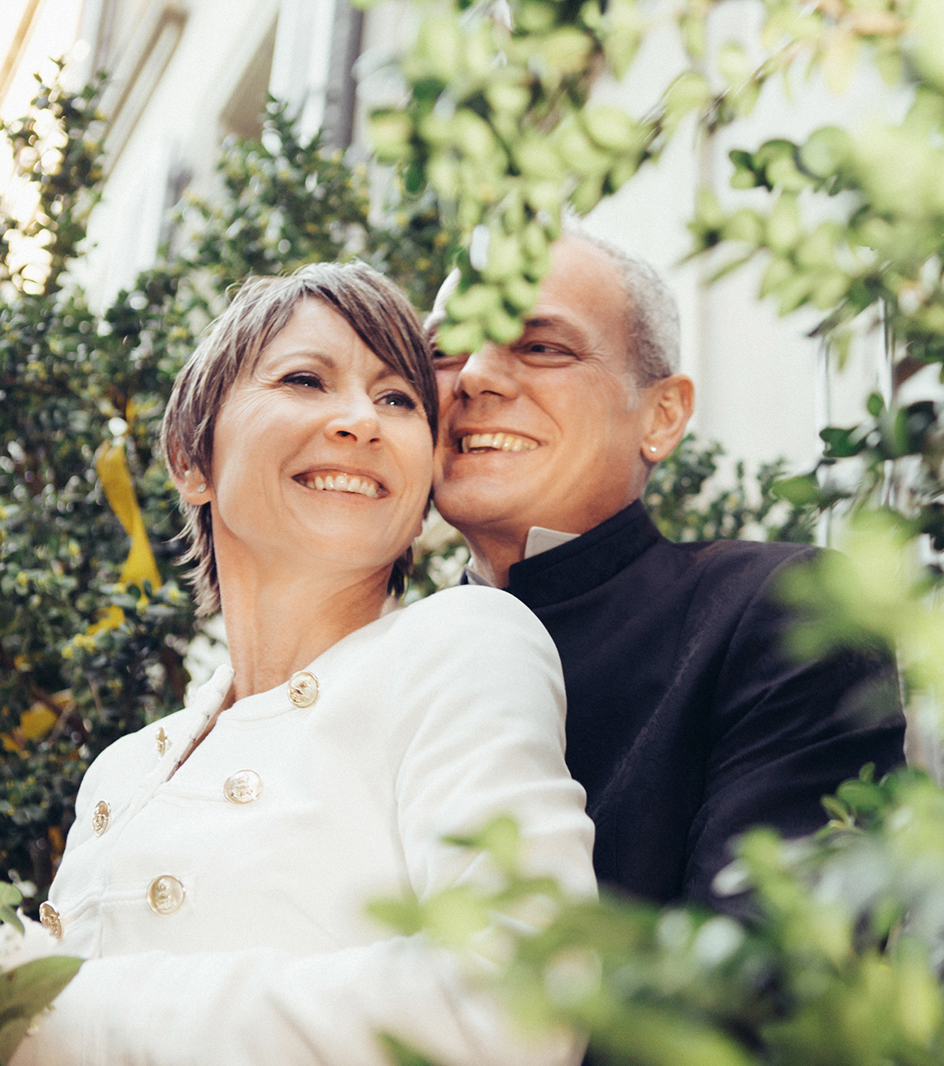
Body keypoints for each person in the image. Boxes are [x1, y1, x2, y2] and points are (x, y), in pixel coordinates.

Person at [18, 263, 595, 1065]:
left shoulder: (465, 642)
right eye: (304, 378)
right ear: (192, 459)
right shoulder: (118, 773)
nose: (361, 420)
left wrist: (50, 1006)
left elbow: (518, 1007)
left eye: (397, 399)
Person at [428, 233, 906, 908]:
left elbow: (771, 973)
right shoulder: (380, 665)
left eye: (540, 347)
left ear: (661, 415)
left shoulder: (783, 611)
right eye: (444, 350)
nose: (473, 375)